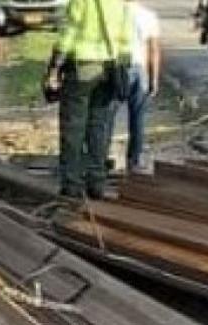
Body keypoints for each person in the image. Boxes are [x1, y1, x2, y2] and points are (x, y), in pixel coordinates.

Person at [44, 0, 135, 198]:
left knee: (73, 127)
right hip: (110, 69)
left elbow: (70, 30)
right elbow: (127, 36)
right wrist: (123, 62)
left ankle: (72, 182)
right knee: (99, 127)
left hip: (84, 66)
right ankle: (97, 181)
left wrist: (55, 64)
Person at [114, 0, 161, 173]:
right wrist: (154, 79)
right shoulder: (149, 16)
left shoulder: (114, 14)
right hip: (140, 70)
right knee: (137, 118)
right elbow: (154, 50)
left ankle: (100, 157)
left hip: (117, 68)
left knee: (108, 115)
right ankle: (134, 160)